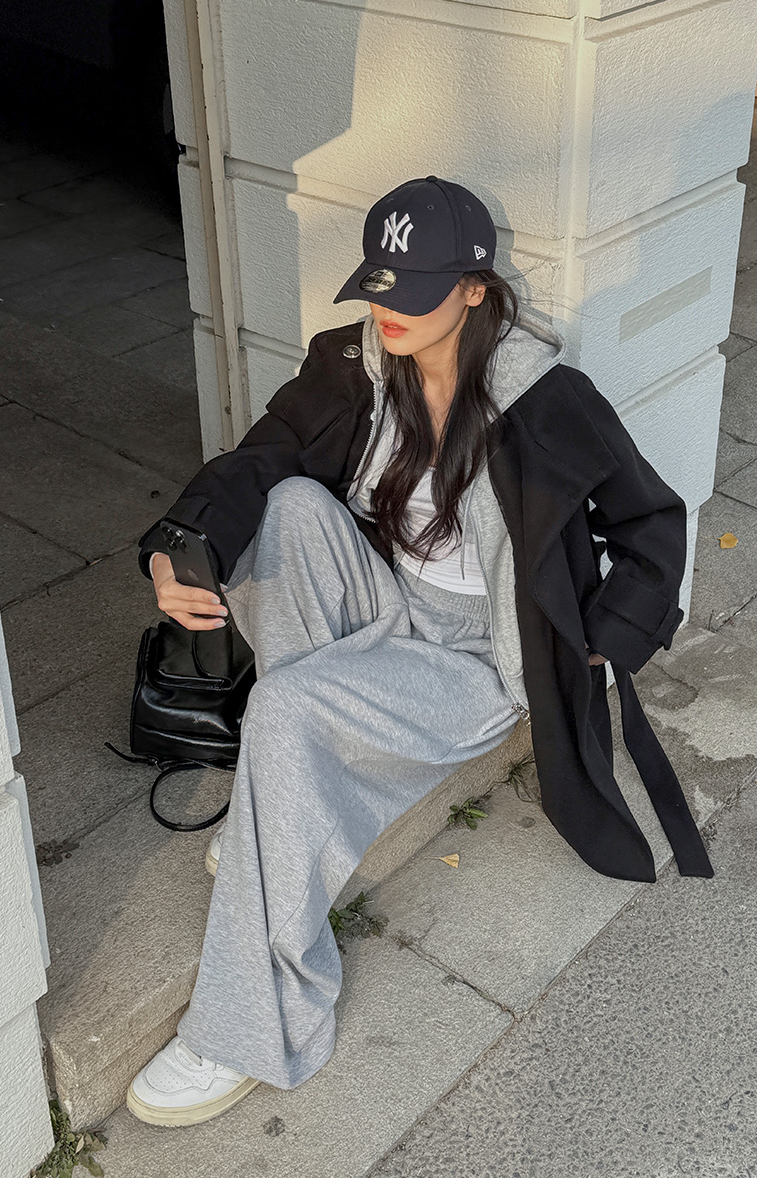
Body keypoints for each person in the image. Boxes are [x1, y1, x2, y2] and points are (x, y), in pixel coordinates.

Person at [126, 175, 713, 1127]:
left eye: (418, 291)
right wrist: (175, 547)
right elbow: (263, 454)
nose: (389, 310)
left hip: (476, 657)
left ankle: (252, 1028)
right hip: (384, 601)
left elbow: (651, 521)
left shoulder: (541, 400)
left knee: (284, 706)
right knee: (288, 506)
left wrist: (599, 646)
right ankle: (288, 804)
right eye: (380, 285)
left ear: (475, 289)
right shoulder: (358, 366)